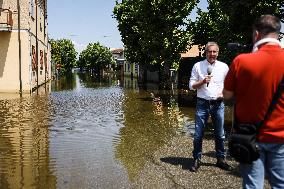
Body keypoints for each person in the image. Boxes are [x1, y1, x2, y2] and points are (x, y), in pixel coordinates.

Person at [223, 14, 284, 188]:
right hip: (281, 137)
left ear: (256, 33)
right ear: (278, 33)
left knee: (252, 185)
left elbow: (227, 95)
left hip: (250, 136)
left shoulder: (242, 61)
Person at [189, 41, 231, 172]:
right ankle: (197, 159)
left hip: (218, 104)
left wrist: (223, 93)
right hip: (202, 104)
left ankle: (220, 159)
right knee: (198, 135)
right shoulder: (198, 66)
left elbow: (229, 85)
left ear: (218, 53)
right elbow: (191, 86)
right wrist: (202, 81)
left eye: (215, 52)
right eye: (209, 51)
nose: (212, 54)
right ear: (205, 52)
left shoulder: (224, 67)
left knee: (220, 134)